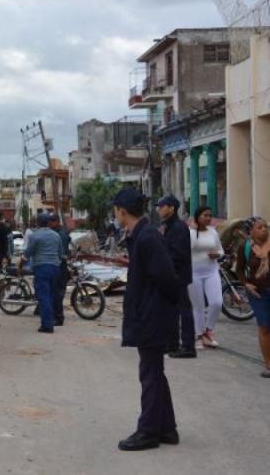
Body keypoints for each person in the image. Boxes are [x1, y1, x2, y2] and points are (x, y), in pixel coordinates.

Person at [112, 188, 180, 451]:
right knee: (155, 373)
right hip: (149, 314)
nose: (115, 215)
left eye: (115, 210)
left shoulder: (147, 237)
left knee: (150, 375)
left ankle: (148, 431)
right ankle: (167, 428)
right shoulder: (139, 236)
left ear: (122, 211)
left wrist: (156, 310)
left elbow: (167, 279)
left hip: (152, 316)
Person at [155, 195, 196, 360]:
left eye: (161, 206)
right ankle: (172, 344)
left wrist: (163, 264)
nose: (158, 209)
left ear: (171, 208)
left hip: (178, 276)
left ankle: (188, 347)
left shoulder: (179, 227)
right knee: (171, 312)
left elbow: (179, 254)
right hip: (171, 276)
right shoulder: (168, 226)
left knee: (184, 311)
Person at [236, 217, 270, 378]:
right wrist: (246, 284)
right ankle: (268, 365)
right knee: (264, 327)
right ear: (251, 232)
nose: (264, 229)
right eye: (259, 227)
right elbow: (240, 269)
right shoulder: (245, 247)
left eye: (265, 226)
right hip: (258, 293)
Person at [188, 206, 224, 350]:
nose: (208, 218)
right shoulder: (189, 233)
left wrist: (218, 254)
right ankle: (199, 336)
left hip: (211, 271)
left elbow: (221, 250)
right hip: (193, 272)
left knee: (216, 302)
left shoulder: (213, 232)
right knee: (198, 306)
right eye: (205, 215)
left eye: (210, 215)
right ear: (198, 216)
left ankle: (208, 331)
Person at [21, 212, 62, 333]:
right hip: (55, 268)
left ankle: (47, 325)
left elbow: (28, 253)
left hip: (41, 268)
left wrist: (21, 263)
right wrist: (56, 263)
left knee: (43, 296)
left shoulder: (35, 236)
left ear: (38, 223)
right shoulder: (56, 235)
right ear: (49, 222)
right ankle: (50, 320)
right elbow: (60, 253)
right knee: (50, 295)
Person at [48, 214, 71, 326]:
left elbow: (61, 253)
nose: (49, 224)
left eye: (51, 222)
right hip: (59, 265)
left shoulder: (60, 234)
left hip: (60, 266)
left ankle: (58, 318)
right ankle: (55, 315)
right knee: (55, 292)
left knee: (57, 293)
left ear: (56, 221)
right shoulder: (59, 232)